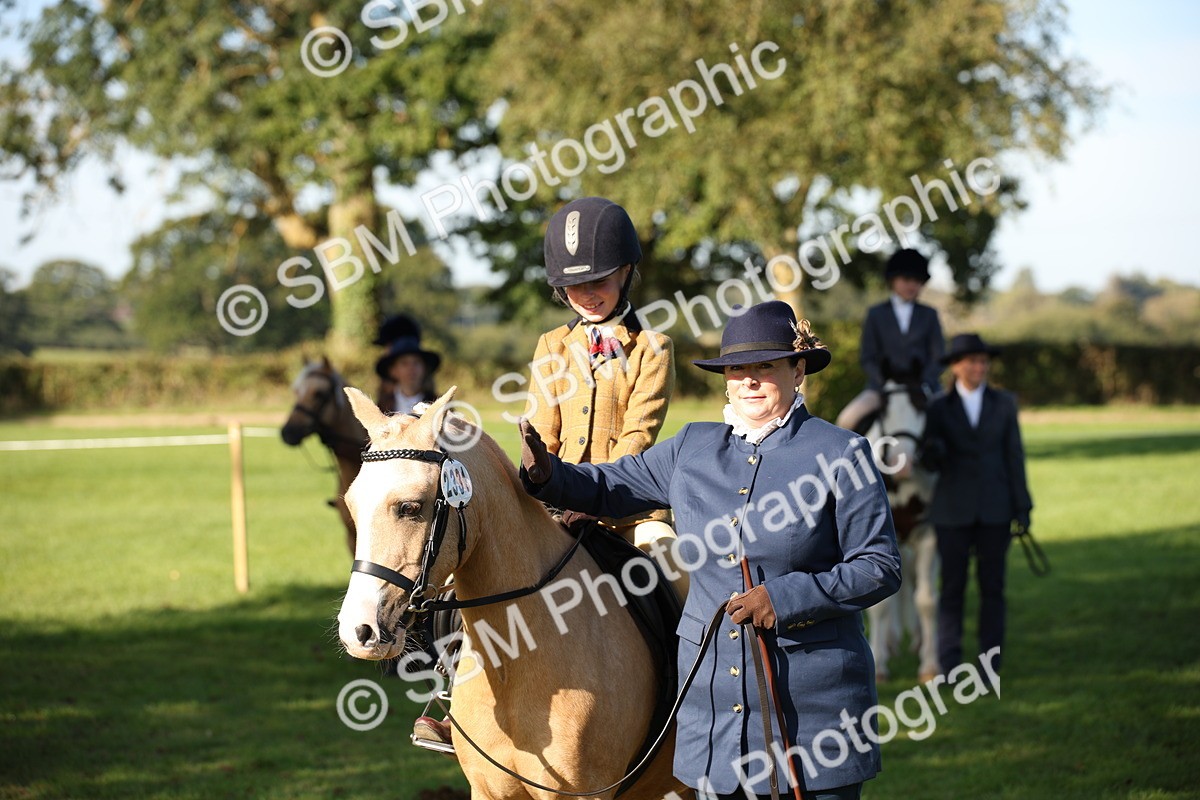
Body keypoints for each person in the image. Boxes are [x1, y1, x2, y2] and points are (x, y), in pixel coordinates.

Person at [520, 301, 901, 800]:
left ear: (798, 368)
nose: (749, 380)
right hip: (713, 717)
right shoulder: (691, 448)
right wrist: (551, 475)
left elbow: (879, 566)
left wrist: (785, 599)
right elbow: (612, 485)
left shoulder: (841, 453)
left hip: (812, 716)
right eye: (736, 369)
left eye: (765, 366)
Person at [413, 196, 679, 753]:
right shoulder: (552, 347)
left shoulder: (652, 348)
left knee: (678, 575)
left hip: (628, 507)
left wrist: (596, 494)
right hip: (554, 503)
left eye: (601, 279)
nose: (589, 293)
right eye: (576, 285)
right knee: (483, 571)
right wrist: (545, 486)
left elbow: (638, 437)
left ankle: (692, 711)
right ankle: (452, 703)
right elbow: (544, 431)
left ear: (627, 271)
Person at [922, 333, 1032, 676]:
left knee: (993, 589)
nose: (979, 366)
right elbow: (928, 458)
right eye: (971, 360)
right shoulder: (938, 407)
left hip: (995, 509)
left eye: (983, 361)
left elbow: (1014, 456)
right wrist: (932, 452)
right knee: (952, 589)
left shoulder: (1004, 403)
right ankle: (949, 663)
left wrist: (1023, 506)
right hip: (952, 510)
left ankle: (990, 665)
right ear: (955, 366)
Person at [837, 248, 944, 433]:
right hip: (882, 388)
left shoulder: (929, 315)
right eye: (906, 280)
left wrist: (925, 381)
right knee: (846, 420)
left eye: (917, 281)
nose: (912, 285)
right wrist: (883, 381)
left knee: (952, 420)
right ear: (893, 280)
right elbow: (867, 357)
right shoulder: (876, 314)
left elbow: (938, 356)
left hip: (922, 388)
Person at [373, 314, 441, 415]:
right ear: (393, 370)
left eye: (416, 362)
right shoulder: (383, 405)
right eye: (404, 363)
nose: (411, 369)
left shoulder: (438, 406)